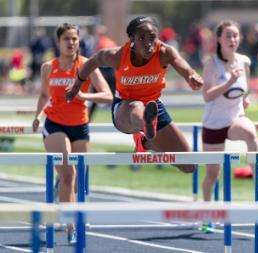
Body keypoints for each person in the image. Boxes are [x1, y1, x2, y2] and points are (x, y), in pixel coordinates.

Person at [66, 16, 203, 173]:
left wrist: (191, 76)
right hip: (124, 108)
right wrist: (76, 85)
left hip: (153, 106)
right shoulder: (117, 55)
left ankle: (147, 141)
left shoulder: (164, 52)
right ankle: (147, 128)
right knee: (137, 106)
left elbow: (182, 64)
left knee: (189, 165)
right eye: (142, 38)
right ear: (132, 39)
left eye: (152, 37)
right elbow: (92, 62)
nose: (148, 43)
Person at [32, 23, 113, 245]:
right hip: (55, 124)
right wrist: (38, 115)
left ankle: (65, 189)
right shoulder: (48, 67)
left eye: (75, 39)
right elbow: (43, 94)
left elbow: (108, 95)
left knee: (79, 181)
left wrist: (85, 97)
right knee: (70, 173)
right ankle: (71, 226)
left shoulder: (86, 65)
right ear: (58, 42)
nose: (71, 43)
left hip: (80, 125)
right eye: (67, 39)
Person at [201, 20, 258, 232]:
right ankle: (207, 215)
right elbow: (207, 96)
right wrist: (229, 82)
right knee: (213, 174)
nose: (232, 40)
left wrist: (245, 99)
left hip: (234, 119)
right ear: (219, 40)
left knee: (250, 132)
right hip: (214, 124)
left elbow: (246, 88)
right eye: (228, 36)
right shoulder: (212, 64)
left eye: (235, 36)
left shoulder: (244, 62)